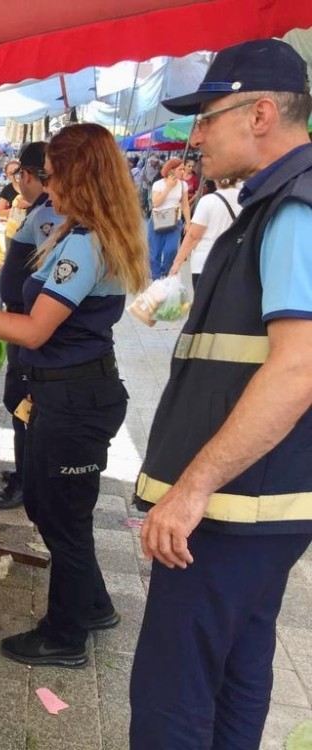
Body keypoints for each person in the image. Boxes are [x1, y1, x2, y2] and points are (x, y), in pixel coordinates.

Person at [0, 123, 149, 667]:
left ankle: (65, 637)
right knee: (55, 508)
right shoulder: (85, 231)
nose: (47, 187)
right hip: (72, 390)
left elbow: (36, 329)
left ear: (81, 178)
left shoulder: (85, 244)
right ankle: (96, 607)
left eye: (55, 176)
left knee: (61, 516)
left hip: (74, 398)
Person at [130, 39, 312, 750]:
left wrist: (191, 487)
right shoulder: (270, 206)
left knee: (174, 688)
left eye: (208, 116)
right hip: (260, 504)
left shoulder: (293, 211)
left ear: (262, 113)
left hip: (237, 508)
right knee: (237, 669)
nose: (194, 136)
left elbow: (297, 369)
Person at [0, 142, 62, 510]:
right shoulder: (42, 209)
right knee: (19, 400)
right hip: (22, 318)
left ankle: (28, 482)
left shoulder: (52, 214)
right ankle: (26, 474)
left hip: (30, 324)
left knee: (22, 401)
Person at [169, 176, 242, 288]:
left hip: (205, 262)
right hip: (233, 262)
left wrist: (177, 262)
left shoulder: (208, 201)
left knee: (203, 304)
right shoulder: (245, 200)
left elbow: (193, 236)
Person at [147, 157, 192, 278]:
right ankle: (156, 278)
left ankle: (165, 272)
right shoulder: (158, 184)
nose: (183, 171)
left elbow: (185, 205)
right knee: (155, 252)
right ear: (171, 170)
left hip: (175, 222)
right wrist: (168, 188)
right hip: (157, 221)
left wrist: (188, 223)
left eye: (184, 169)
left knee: (171, 250)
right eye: (180, 169)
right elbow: (156, 203)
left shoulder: (183, 185)